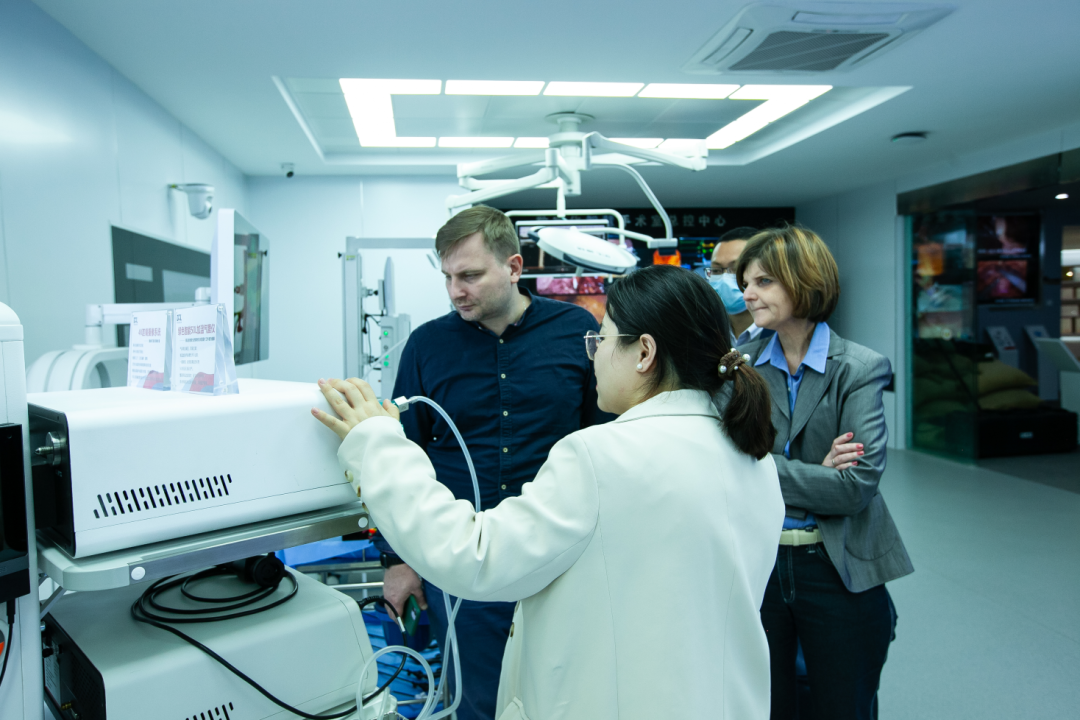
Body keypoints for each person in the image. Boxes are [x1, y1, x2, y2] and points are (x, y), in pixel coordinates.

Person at [313, 264, 785, 720]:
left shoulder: (601, 456)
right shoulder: (752, 456)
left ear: (644, 352)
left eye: (602, 340)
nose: (593, 356)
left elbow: (474, 556)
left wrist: (377, 443)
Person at [372, 205, 611, 720]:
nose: (456, 291)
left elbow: (605, 440)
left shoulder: (577, 331)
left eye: (470, 276)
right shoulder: (427, 346)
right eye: (448, 277)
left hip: (559, 553)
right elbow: (400, 455)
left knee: (564, 696)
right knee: (477, 699)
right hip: (461, 559)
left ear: (514, 266)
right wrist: (398, 560)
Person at [734, 225, 914, 720]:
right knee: (766, 707)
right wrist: (817, 472)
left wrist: (760, 466)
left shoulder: (859, 368)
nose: (747, 294)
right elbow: (725, 467)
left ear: (804, 280)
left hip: (840, 566)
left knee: (843, 706)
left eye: (763, 281)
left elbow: (855, 489)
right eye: (746, 283)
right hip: (761, 564)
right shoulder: (738, 368)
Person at [709, 226, 772, 346]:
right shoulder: (705, 333)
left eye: (735, 269)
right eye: (716, 270)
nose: (724, 279)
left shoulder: (781, 334)